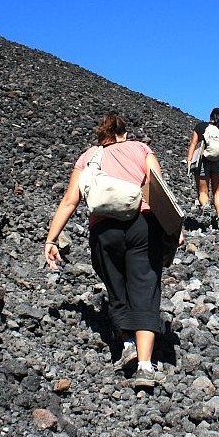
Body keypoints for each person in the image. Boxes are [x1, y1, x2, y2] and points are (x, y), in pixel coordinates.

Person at [43, 112, 173, 388]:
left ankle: (127, 346)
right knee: (145, 286)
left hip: (104, 229)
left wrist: (51, 240)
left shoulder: (87, 157)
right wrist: (174, 230)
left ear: (101, 136)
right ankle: (146, 367)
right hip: (143, 223)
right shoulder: (140, 149)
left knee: (117, 285)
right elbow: (157, 189)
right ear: (123, 134)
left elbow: (70, 200)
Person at [185, 107, 219, 229]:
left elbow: (194, 143)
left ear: (210, 116)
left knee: (202, 190)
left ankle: (205, 205)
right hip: (218, 163)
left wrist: (189, 160)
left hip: (203, 160)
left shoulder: (200, 127)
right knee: (218, 191)